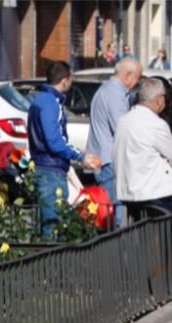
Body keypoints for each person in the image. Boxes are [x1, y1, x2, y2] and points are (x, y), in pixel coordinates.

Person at [27, 60, 101, 237]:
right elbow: (55, 141)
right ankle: (49, 264)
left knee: (49, 223)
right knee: (53, 225)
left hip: (42, 165)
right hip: (50, 169)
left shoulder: (39, 100)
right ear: (65, 80)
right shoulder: (51, 103)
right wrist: (80, 156)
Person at [85, 57, 142, 228]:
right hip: (110, 161)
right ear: (128, 76)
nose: (136, 83)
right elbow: (122, 129)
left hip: (103, 158)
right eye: (137, 78)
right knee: (114, 215)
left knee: (109, 212)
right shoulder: (115, 94)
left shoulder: (106, 90)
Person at [113, 77, 172, 218]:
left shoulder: (124, 120)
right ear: (159, 99)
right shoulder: (155, 124)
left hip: (129, 191)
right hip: (155, 193)